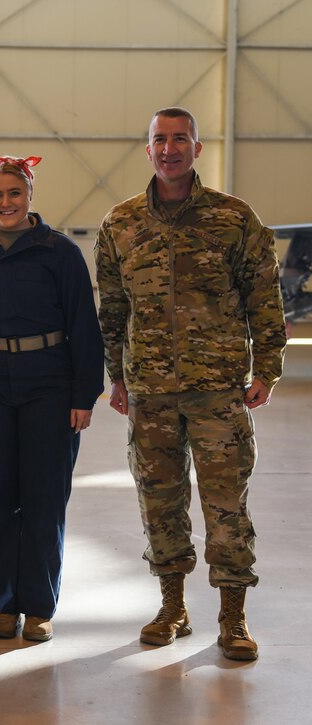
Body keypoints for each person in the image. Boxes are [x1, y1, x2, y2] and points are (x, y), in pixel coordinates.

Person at [95, 107, 287, 661]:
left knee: (226, 506)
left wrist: (267, 368)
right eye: (161, 139)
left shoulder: (234, 218)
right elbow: (112, 308)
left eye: (181, 138)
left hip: (219, 389)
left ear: (197, 148)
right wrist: (116, 376)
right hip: (149, 391)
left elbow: (264, 296)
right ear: (148, 149)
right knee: (159, 502)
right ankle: (172, 608)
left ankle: (232, 617)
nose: (170, 148)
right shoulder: (121, 223)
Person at [0, 155, 104, 642]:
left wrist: (84, 394)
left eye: (14, 193)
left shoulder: (59, 252)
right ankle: (3, 605)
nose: (6, 203)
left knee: (44, 498)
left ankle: (39, 606)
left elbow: (84, 325)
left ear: (30, 196)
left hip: (49, 383)